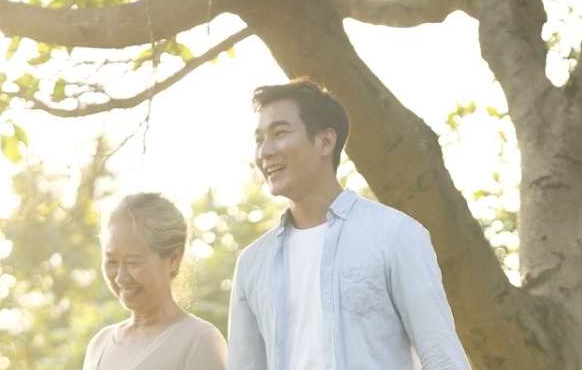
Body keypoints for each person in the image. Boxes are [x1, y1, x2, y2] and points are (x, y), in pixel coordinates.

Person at [226, 78, 469, 369]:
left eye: (280, 133)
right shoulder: (253, 262)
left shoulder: (395, 235)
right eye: (259, 140)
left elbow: (443, 358)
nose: (265, 151)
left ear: (326, 141)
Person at [84, 193, 228, 370]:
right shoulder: (100, 343)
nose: (121, 278)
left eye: (133, 262)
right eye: (111, 261)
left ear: (174, 258)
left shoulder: (199, 340)